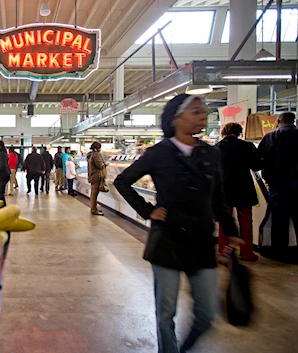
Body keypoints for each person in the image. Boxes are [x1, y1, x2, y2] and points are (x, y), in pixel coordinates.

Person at [114, 94, 240, 353]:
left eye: (203, 111)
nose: (202, 116)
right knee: (165, 313)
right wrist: (148, 211)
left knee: (208, 313)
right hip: (167, 241)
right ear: (176, 119)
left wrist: (231, 230)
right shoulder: (158, 153)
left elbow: (218, 197)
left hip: (202, 242)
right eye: (195, 112)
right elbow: (122, 181)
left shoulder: (210, 153)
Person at [217, 122, 262, 261]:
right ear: (239, 132)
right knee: (246, 221)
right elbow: (257, 165)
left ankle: (224, 250)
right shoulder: (247, 146)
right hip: (244, 188)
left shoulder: (217, 148)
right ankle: (247, 252)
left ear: (224, 132)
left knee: (224, 220)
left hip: (224, 188)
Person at [258, 111, 298, 255]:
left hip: (277, 184)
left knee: (279, 219)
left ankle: (279, 251)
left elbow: (258, 159)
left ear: (279, 121)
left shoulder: (270, 136)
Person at [87, 142, 107, 216]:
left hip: (92, 176)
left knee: (93, 193)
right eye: (99, 148)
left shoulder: (90, 154)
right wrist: (105, 164)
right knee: (95, 193)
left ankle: (94, 208)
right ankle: (94, 209)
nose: (100, 149)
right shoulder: (96, 155)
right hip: (96, 176)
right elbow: (100, 165)